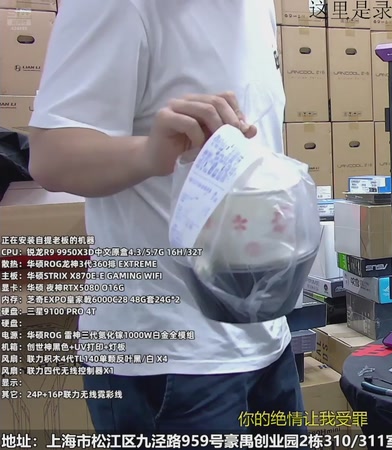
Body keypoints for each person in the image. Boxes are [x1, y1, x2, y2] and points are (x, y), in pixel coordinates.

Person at [27, 0, 306, 436]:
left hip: (263, 336)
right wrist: (148, 152)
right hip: (166, 355)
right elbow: (50, 157)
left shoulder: (255, 7)